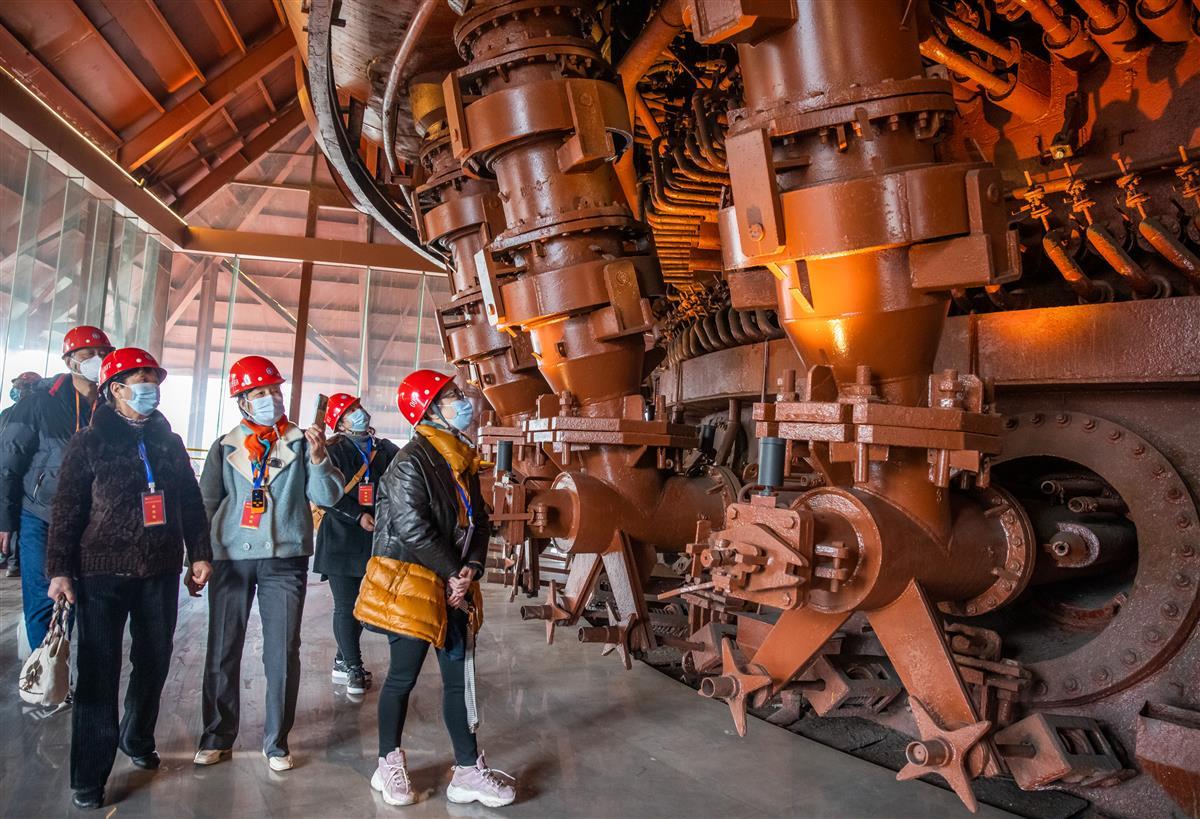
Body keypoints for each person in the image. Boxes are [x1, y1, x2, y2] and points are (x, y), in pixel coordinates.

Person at [44, 348, 213, 810]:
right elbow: (66, 509)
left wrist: (200, 553)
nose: (151, 389)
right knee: (98, 672)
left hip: (159, 569)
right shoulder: (89, 442)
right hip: (100, 571)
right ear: (115, 389)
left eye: (154, 380)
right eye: (141, 381)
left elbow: (191, 501)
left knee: (155, 660)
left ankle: (136, 736)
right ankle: (89, 775)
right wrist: (59, 569)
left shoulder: (169, 442)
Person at [358, 369, 516, 808]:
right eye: (451, 396)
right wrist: (453, 572)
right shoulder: (410, 461)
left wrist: (472, 569)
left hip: (454, 586)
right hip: (413, 583)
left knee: (457, 680)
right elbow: (413, 528)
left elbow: (479, 521)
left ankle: (466, 771)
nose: (462, 401)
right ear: (429, 410)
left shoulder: (461, 458)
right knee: (402, 677)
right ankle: (387, 763)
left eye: (458, 394)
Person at [194, 355, 343, 772]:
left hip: (284, 559)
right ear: (242, 401)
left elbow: (328, 497)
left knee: (282, 650)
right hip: (230, 559)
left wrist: (319, 458)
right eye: (260, 392)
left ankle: (276, 742)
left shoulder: (302, 442)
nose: (271, 398)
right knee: (223, 647)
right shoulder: (225, 447)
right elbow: (207, 503)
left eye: (275, 390)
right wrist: (199, 556)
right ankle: (217, 736)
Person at [0, 326, 113, 650]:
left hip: (90, 520)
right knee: (44, 597)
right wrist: (4, 520)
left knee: (80, 597)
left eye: (103, 353)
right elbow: (8, 462)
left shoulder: (111, 406)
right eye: (88, 354)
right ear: (69, 360)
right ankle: (44, 670)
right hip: (41, 515)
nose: (97, 359)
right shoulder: (39, 404)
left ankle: (65, 669)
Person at [313, 393, 399, 696]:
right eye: (350, 410)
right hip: (340, 537)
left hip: (374, 538)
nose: (359, 413)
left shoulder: (384, 449)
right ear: (339, 423)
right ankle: (353, 667)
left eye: (358, 407)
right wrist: (356, 515)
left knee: (363, 605)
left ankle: (342, 657)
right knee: (345, 605)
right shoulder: (331, 451)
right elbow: (323, 494)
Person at [0, 371, 41, 578]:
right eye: (17, 386)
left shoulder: (40, 413)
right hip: (7, 471)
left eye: (23, 386)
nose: (18, 390)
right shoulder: (7, 413)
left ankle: (14, 561)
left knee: (19, 517)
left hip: (25, 477)